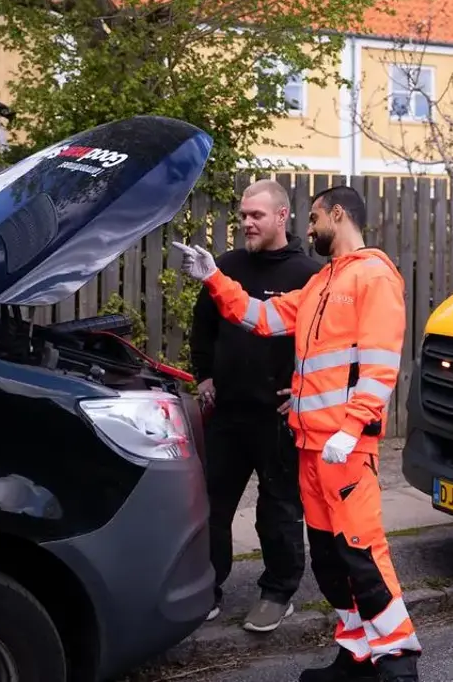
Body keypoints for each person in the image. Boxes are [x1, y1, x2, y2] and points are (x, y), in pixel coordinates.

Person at [172, 185, 421, 682]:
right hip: (312, 447)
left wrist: (353, 428)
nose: (306, 230)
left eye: (312, 219)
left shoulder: (373, 276)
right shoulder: (322, 282)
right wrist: (214, 277)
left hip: (344, 448)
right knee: (331, 561)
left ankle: (397, 662)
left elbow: (379, 365)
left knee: (361, 554)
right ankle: (356, 656)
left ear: (337, 214)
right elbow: (260, 318)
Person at [188, 179, 321, 632]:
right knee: (211, 504)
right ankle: (207, 587)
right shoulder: (226, 267)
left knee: (278, 507)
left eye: (256, 215)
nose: (246, 222)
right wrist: (204, 374)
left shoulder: (307, 275)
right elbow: (202, 326)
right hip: (227, 412)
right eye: (243, 214)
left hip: (277, 417)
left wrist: (306, 390)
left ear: (281, 217)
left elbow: (324, 343)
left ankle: (277, 592)